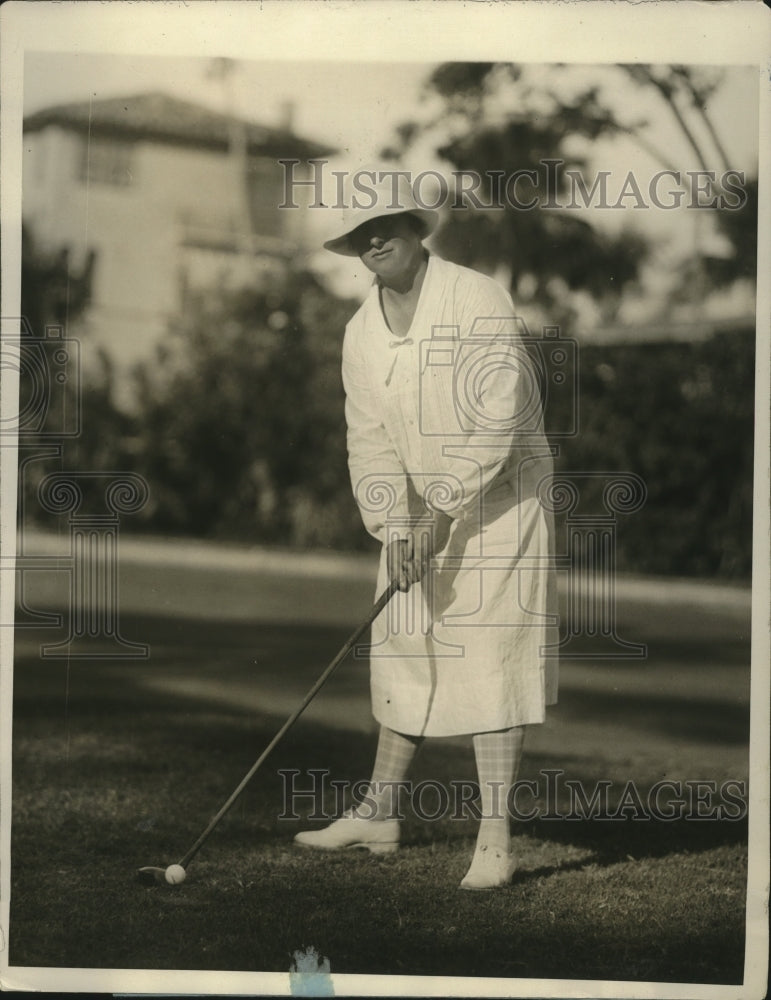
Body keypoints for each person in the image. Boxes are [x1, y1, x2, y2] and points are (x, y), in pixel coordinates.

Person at [294, 172, 558, 890]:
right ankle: (379, 811)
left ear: (415, 229)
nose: (372, 241)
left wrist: (441, 511)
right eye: (358, 235)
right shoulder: (359, 333)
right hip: (417, 511)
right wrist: (393, 524)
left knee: (491, 652)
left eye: (384, 226)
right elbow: (369, 440)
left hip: (504, 499)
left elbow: (498, 416)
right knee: (405, 643)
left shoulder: (475, 298)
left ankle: (496, 841)